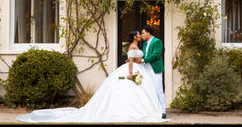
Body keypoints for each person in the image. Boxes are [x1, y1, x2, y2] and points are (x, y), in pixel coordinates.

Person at [16, 30, 166, 123]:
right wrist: (130, 72)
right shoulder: (134, 45)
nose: (141, 34)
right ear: (135, 36)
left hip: (144, 69)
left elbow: (137, 57)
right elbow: (132, 58)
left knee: (146, 91)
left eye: (142, 33)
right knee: (132, 91)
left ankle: (156, 110)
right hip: (132, 70)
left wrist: (133, 61)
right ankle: (137, 111)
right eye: (139, 34)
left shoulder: (143, 45)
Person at [139, 25, 167, 119]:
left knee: (158, 89)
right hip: (145, 69)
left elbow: (156, 55)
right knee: (149, 89)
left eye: (143, 33)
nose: (141, 35)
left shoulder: (157, 41)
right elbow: (144, 55)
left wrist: (143, 60)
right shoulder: (144, 44)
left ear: (148, 32)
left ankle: (163, 111)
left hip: (155, 69)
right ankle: (153, 110)